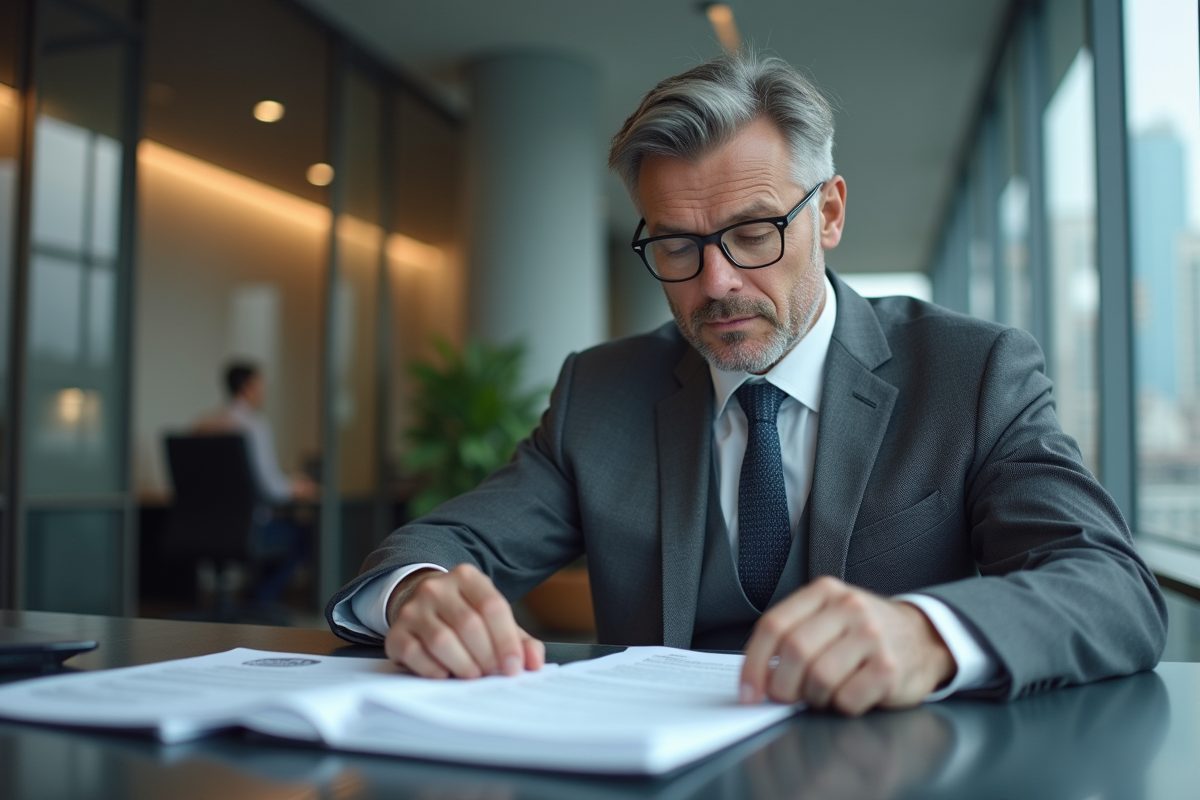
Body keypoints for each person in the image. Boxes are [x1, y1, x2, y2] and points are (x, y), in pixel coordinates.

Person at [326, 51, 1166, 715]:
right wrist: (418, 595)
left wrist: (928, 635)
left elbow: (1109, 587)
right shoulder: (602, 393)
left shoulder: (970, 372)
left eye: (754, 233)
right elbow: (443, 545)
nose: (717, 281)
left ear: (829, 213)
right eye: (677, 246)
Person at [195, 361, 317, 603]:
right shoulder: (253, 425)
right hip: (248, 527)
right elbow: (269, 487)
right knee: (304, 534)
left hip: (202, 527)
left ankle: (249, 598)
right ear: (249, 387)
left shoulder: (204, 425)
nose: (264, 391)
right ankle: (261, 597)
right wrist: (298, 486)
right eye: (261, 385)